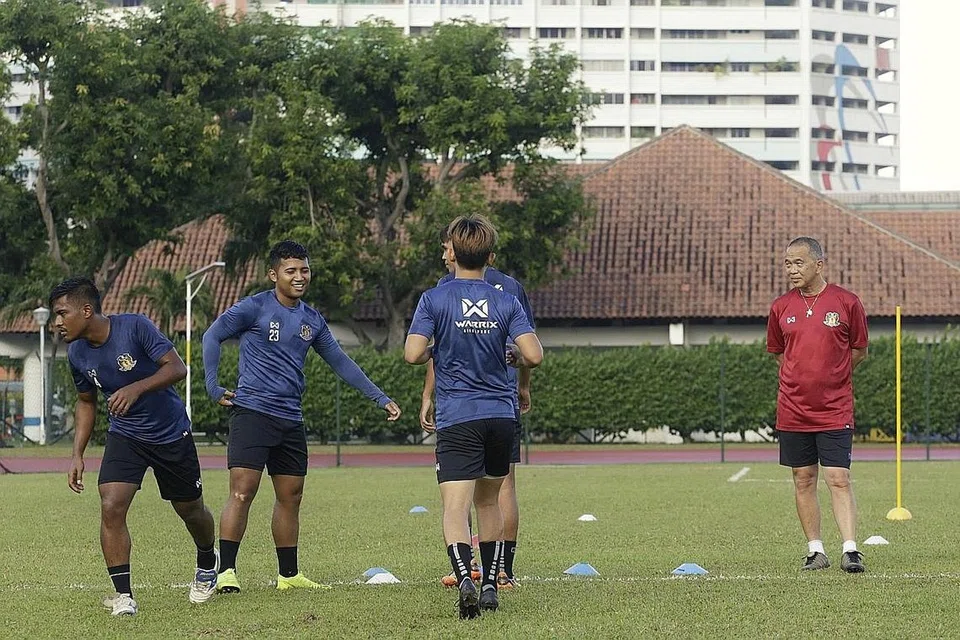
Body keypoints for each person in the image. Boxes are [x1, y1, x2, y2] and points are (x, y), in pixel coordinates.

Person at [203, 240, 402, 594]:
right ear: (274, 274)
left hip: (290, 419)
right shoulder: (254, 307)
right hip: (251, 413)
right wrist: (213, 386)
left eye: (304, 270)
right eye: (291, 271)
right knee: (242, 492)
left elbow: (341, 361)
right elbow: (212, 335)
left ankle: (289, 575)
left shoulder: (312, 319)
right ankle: (226, 572)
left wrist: (380, 397)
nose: (299, 277)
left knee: (291, 496)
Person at [405, 215, 543, 619]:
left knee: (454, 505)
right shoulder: (506, 298)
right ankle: (490, 582)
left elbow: (413, 354)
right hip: (500, 414)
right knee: (490, 501)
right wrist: (513, 354)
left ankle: (465, 577)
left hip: (458, 415)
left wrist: (438, 347)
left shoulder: (435, 298)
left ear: (453, 252)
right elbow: (533, 355)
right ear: (490, 256)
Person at [54, 277, 218, 616]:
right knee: (111, 503)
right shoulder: (76, 353)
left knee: (190, 510)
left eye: (61, 313)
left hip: (170, 433)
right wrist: (77, 454)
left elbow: (178, 368)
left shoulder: (135, 327)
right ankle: (123, 594)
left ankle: (207, 560)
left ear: (86, 310)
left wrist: (135, 389)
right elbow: (86, 402)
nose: (57, 322)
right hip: (125, 435)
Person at [766, 237, 868, 573]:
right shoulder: (780, 307)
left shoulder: (847, 302)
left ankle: (851, 550)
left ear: (819, 265)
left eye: (799, 263)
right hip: (793, 410)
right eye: (788, 263)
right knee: (803, 478)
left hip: (835, 409)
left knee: (838, 477)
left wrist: (832, 378)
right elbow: (780, 352)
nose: (792, 270)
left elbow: (858, 350)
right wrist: (800, 380)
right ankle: (815, 551)